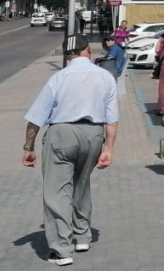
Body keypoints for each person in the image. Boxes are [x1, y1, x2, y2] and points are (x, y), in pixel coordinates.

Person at [22, 35, 119, 267]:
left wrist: (29, 147)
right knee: (81, 184)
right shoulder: (105, 77)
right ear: (88, 50)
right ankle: (83, 236)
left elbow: (35, 119)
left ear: (67, 54)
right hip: (93, 134)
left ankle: (61, 249)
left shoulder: (59, 78)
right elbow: (112, 119)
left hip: (62, 134)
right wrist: (108, 149)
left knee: (56, 192)